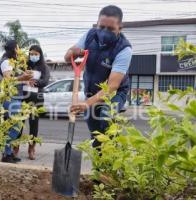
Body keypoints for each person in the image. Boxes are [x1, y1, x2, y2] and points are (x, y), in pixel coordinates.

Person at [65, 5, 133, 147]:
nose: (104, 32)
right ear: (97, 23)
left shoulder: (124, 49)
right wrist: (73, 52)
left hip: (115, 93)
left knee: (105, 118)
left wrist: (86, 104)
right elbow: (67, 57)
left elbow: (112, 86)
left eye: (110, 29)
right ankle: (99, 165)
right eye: (101, 27)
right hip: (91, 91)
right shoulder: (90, 36)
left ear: (120, 28)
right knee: (95, 132)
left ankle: (112, 158)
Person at [0, 40, 33, 163]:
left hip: (16, 97)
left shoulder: (13, 63)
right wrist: (22, 78)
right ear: (13, 49)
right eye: (18, 47)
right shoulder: (6, 62)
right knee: (14, 126)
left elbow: (16, 79)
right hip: (10, 98)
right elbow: (8, 80)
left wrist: (26, 80)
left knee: (13, 126)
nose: (19, 50)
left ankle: (8, 153)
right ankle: (6, 154)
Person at [21, 45, 50, 160]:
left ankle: (31, 149)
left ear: (40, 54)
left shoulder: (44, 67)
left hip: (36, 99)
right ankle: (15, 147)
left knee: (34, 124)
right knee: (19, 123)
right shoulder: (24, 64)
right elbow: (17, 76)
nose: (33, 56)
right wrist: (24, 80)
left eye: (36, 54)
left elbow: (45, 80)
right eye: (31, 54)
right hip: (23, 98)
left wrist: (35, 82)